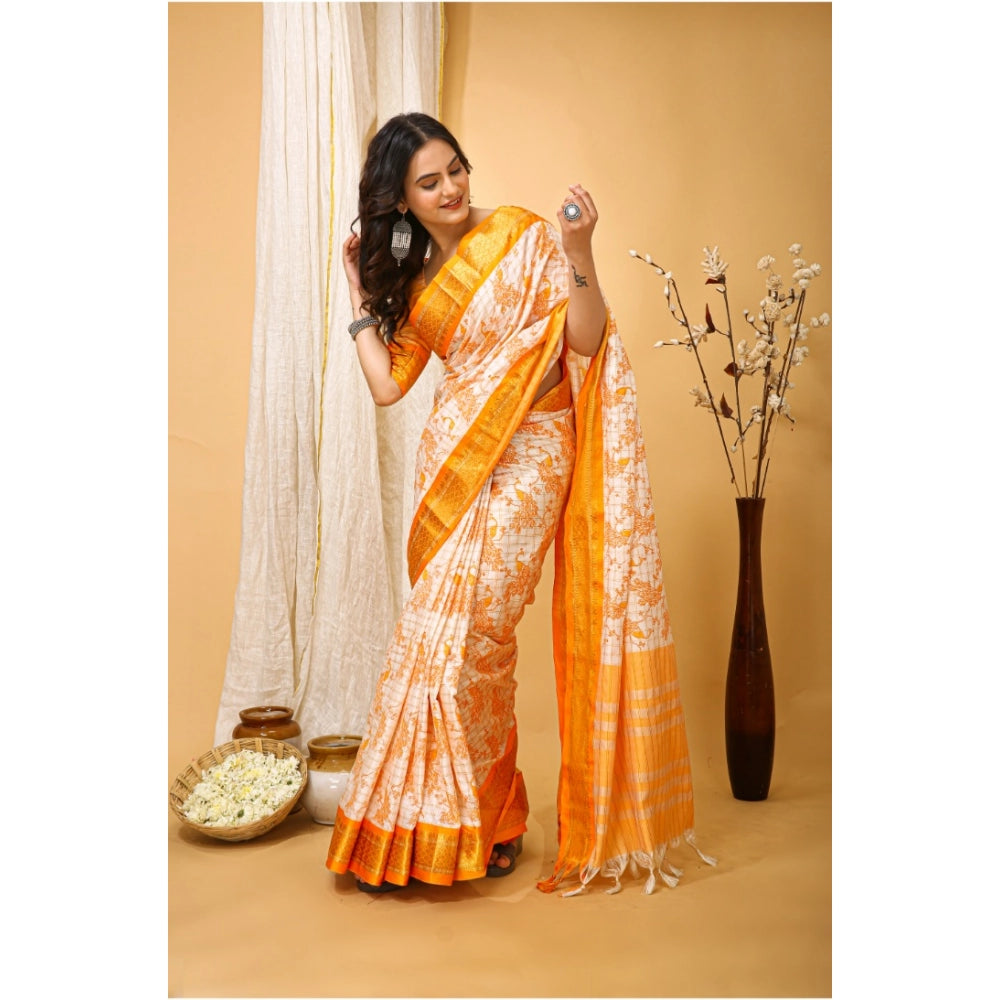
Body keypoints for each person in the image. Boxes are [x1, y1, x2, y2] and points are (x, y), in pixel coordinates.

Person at [325, 112, 710, 896]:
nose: (451, 188)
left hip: (534, 451)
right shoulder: (420, 285)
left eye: (455, 169)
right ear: (400, 201)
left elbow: (585, 342)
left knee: (477, 634)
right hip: (456, 467)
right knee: (444, 642)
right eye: (429, 182)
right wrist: (359, 293)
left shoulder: (525, 237)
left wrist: (579, 251)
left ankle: (474, 817)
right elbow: (389, 385)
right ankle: (477, 824)